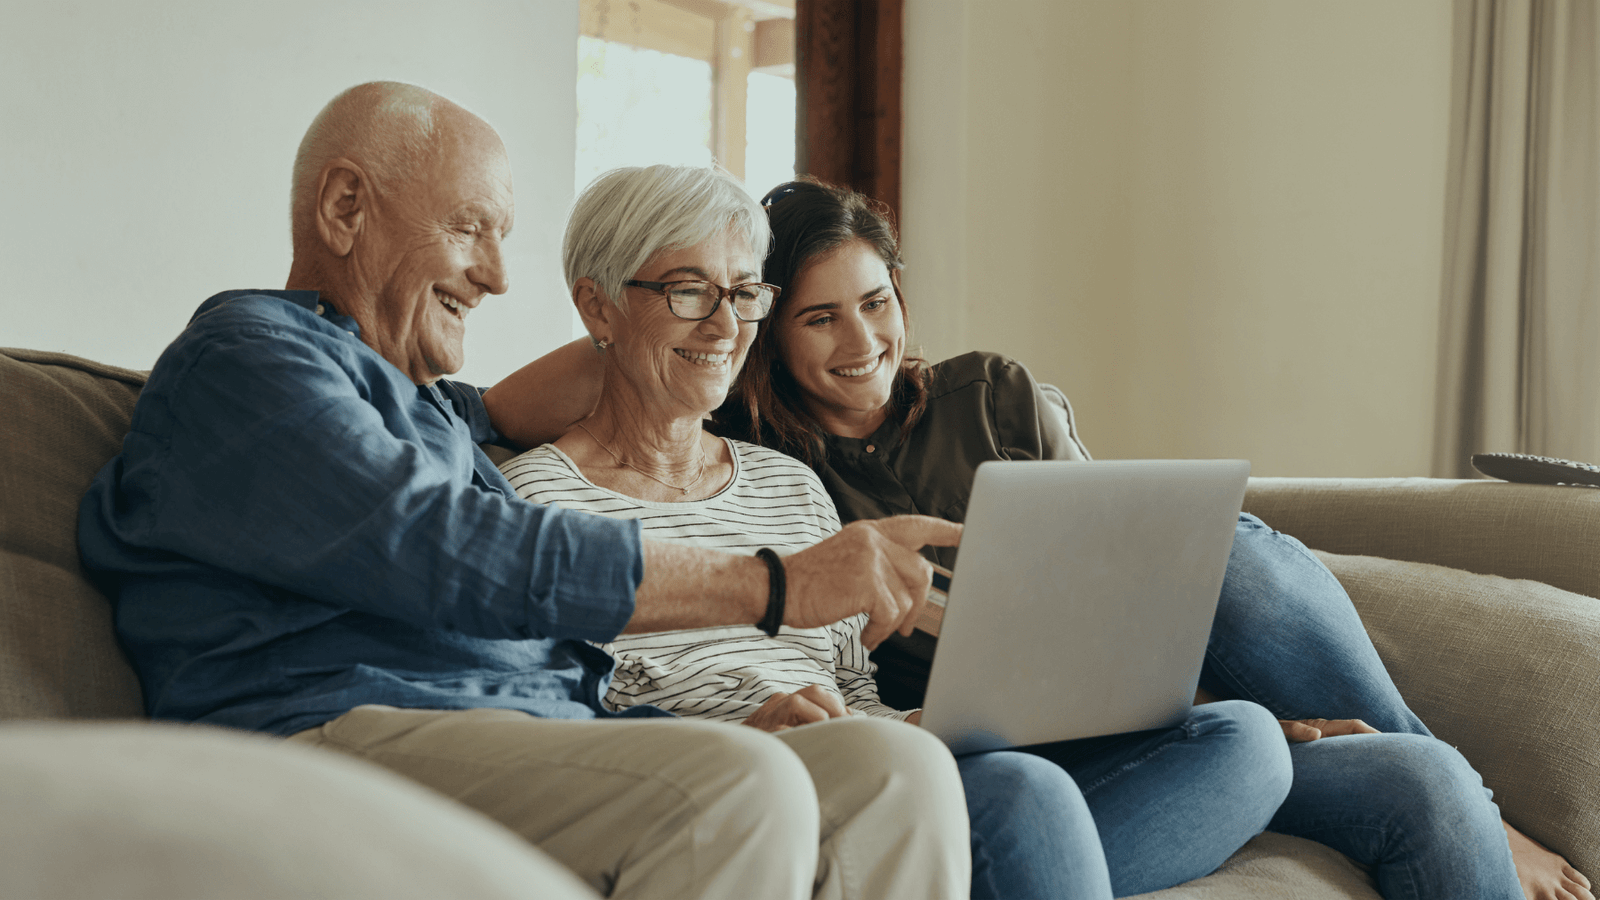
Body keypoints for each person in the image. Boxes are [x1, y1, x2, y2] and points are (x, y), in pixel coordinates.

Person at [76, 83, 976, 900]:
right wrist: (778, 584)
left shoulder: (424, 406)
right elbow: (449, 546)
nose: (499, 276)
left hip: (523, 727)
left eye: (502, 237)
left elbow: (499, 415)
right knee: (738, 787)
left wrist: (619, 363)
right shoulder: (246, 363)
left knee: (895, 770)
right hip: (326, 725)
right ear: (347, 206)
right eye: (471, 227)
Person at [723, 179, 1588, 900]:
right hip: (996, 762)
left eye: (876, 303)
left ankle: (1467, 791)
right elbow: (604, 382)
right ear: (770, 332)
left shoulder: (989, 395)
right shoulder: (762, 469)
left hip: (1135, 719)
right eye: (820, 318)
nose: (863, 341)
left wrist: (1201, 703)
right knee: (1238, 730)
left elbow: (1127, 580)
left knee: (1412, 771)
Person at [495, 164, 1298, 900]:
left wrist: (915, 724)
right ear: (595, 304)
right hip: (737, 789)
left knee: (1243, 737)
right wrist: (733, 736)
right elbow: (552, 728)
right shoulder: (528, 505)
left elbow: (853, 690)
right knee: (1027, 792)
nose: (722, 326)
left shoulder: (787, 482)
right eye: (687, 291)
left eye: (743, 294)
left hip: (890, 767)